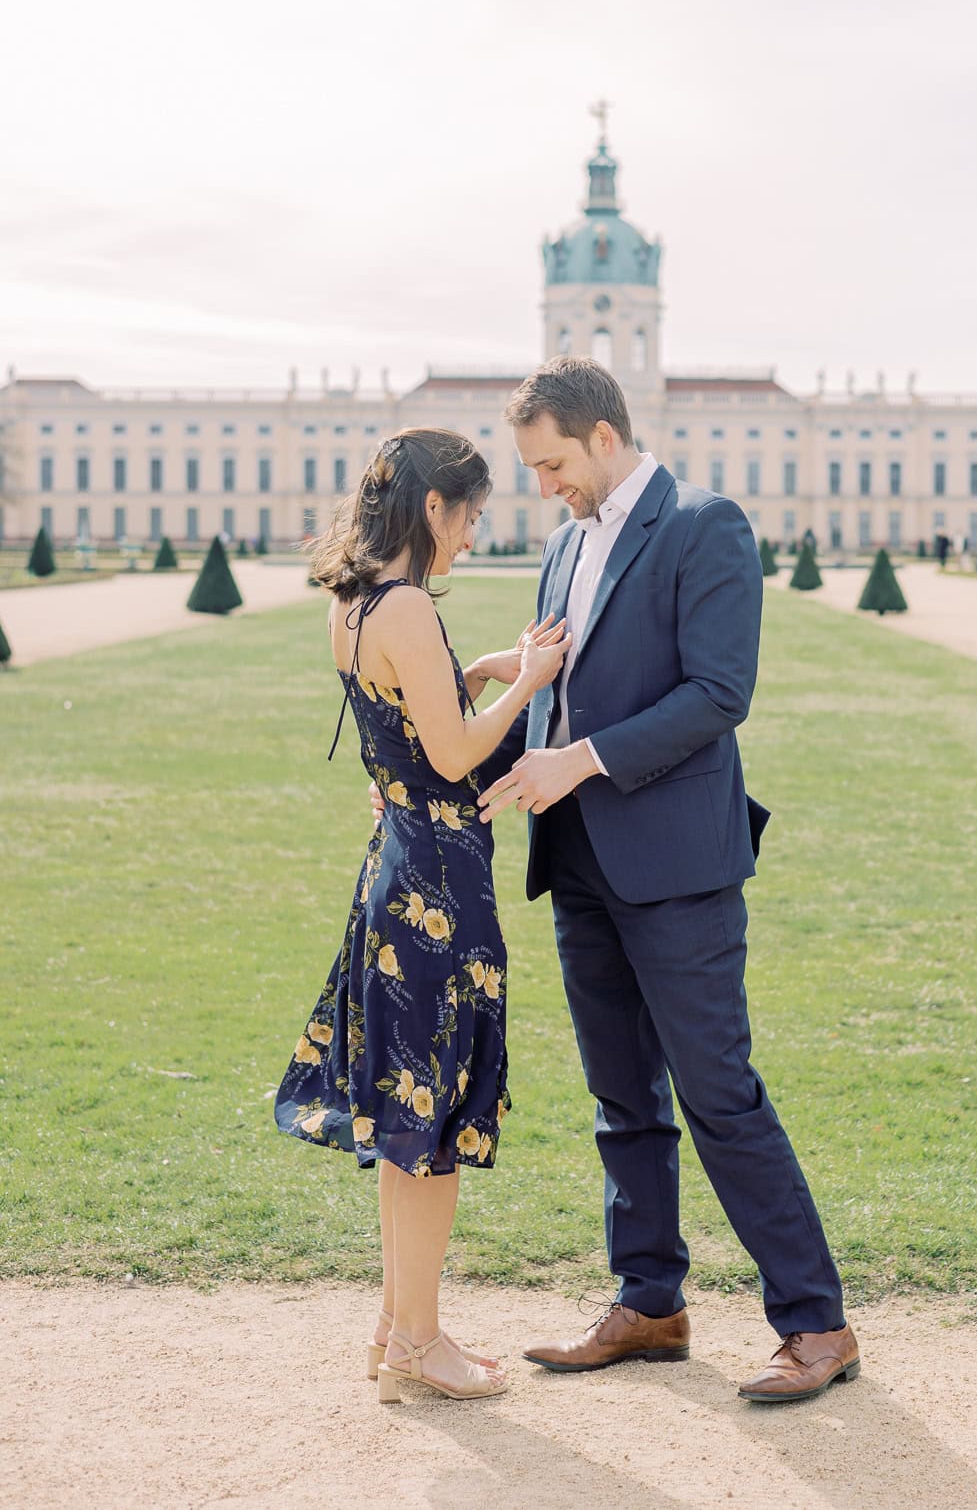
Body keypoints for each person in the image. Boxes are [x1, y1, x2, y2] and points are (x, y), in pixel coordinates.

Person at [372, 361, 858, 1404]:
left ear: (601, 437)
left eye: (551, 462)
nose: (543, 484)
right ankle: (648, 1302)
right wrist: (482, 715)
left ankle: (816, 1322)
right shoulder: (564, 546)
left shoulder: (705, 524)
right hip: (582, 859)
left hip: (679, 865)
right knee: (619, 1097)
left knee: (720, 1093)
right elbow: (564, 694)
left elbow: (718, 694)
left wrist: (577, 762)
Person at [275, 427, 569, 1404]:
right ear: (433, 508)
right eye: (472, 514)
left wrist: (478, 671)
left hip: (393, 870)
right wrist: (527, 678)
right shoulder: (404, 605)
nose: (474, 535)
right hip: (438, 886)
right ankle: (421, 1340)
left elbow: (408, 733)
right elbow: (452, 757)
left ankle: (401, 1330)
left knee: (410, 1120)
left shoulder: (354, 605)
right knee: (432, 1121)